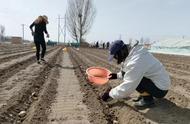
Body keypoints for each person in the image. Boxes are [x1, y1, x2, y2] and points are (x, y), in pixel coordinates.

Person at [101, 40, 171, 108]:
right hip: (159, 83)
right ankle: (146, 94)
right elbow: (126, 71)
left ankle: (148, 100)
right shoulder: (133, 54)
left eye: (116, 56)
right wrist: (116, 75)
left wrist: (110, 94)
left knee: (135, 81)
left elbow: (128, 87)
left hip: (161, 89)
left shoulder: (136, 61)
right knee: (134, 76)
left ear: (121, 52)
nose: (116, 59)